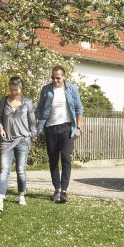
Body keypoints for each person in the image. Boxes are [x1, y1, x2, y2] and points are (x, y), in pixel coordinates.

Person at [36, 65, 83, 203]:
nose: (55, 80)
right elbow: (39, 108)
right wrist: (38, 121)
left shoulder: (72, 89)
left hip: (67, 128)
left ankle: (64, 190)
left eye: (58, 78)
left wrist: (78, 127)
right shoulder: (46, 89)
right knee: (53, 160)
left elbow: (79, 109)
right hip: (51, 129)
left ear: (64, 77)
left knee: (66, 160)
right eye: (53, 77)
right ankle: (57, 188)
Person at [0, 76, 36, 212]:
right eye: (11, 89)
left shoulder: (27, 102)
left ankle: (21, 195)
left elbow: (33, 122)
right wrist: (0, 128)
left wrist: (32, 137)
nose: (13, 92)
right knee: (4, 170)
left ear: (21, 89)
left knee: (20, 170)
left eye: (15, 90)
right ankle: (0, 199)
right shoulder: (4, 101)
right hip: (7, 140)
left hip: (23, 140)